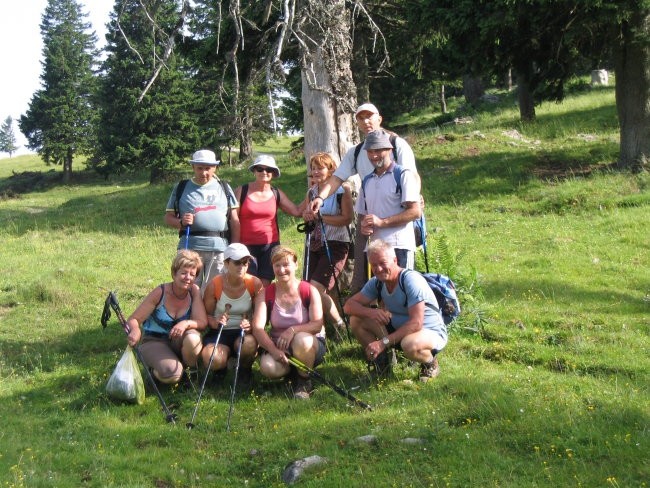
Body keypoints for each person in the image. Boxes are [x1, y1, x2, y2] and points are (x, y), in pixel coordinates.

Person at [306, 102, 420, 294]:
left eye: (370, 116)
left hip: (396, 219)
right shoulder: (357, 152)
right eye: (361, 118)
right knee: (364, 268)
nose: (366, 121)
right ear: (357, 123)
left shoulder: (397, 144)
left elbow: (413, 177)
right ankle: (366, 307)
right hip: (367, 217)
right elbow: (337, 178)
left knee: (398, 275)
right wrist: (321, 198)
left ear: (379, 119)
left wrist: (415, 200)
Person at [343, 240, 447, 382]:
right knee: (356, 320)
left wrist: (383, 342)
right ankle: (382, 366)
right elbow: (348, 306)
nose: (378, 269)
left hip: (428, 331)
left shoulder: (410, 280)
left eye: (382, 263)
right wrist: (371, 312)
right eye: (374, 265)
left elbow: (416, 323)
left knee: (409, 345)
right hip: (400, 328)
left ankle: (430, 363)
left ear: (395, 260)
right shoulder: (377, 282)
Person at [251, 246, 325, 399]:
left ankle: (304, 382)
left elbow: (317, 324)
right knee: (268, 368)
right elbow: (257, 328)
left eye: (286, 265)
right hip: (280, 347)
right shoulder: (266, 293)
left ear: (296, 265)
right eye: (277, 265)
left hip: (309, 343)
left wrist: (292, 330)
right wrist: (273, 350)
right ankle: (294, 374)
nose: (281, 270)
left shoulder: (309, 290)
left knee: (301, 340)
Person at [126, 250, 208, 386]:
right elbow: (133, 319)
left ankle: (191, 375)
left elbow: (202, 322)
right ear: (174, 273)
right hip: (154, 340)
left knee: (193, 338)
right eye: (183, 273)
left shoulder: (194, 291)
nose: (188, 277)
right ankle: (155, 373)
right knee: (172, 375)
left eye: (192, 274)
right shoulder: (160, 292)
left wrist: (185, 324)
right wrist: (135, 330)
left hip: (178, 341)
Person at [164, 149, 239, 290]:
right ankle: (189, 312)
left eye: (208, 168)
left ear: (215, 168)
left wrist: (234, 248)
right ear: (193, 167)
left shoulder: (224, 187)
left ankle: (208, 313)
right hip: (190, 247)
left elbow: (234, 220)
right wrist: (180, 222)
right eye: (200, 168)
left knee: (214, 289)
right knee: (188, 288)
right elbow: (168, 218)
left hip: (219, 248)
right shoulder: (182, 187)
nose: (204, 172)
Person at [299, 152, 353, 339]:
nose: (315, 171)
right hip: (314, 243)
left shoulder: (342, 190)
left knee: (316, 288)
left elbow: (347, 218)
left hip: (336, 243)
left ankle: (338, 325)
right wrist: (308, 216)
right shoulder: (311, 192)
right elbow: (308, 217)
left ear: (331, 170)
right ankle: (319, 328)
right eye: (313, 167)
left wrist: (322, 217)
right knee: (307, 288)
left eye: (320, 167)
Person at [355, 130, 421, 270]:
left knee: (401, 290)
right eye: (370, 151)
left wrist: (382, 222)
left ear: (390, 150)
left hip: (400, 247)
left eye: (378, 150)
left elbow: (415, 212)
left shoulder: (402, 175)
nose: (374, 155)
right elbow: (362, 215)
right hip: (374, 250)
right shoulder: (367, 180)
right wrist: (364, 226)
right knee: (377, 292)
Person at [235, 155, 302, 286]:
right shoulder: (241, 191)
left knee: (264, 286)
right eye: (260, 169)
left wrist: (312, 194)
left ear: (273, 173)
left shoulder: (276, 193)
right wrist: (235, 245)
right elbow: (233, 219)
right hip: (245, 246)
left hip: (270, 247)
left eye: (269, 169)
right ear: (254, 171)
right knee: (248, 283)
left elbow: (297, 211)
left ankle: (263, 306)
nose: (264, 172)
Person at [202, 243, 263, 386]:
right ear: (226, 263)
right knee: (212, 358)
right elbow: (206, 316)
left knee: (248, 344)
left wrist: (251, 324)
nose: (242, 266)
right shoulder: (215, 284)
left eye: (245, 262)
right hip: (219, 332)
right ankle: (220, 369)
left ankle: (244, 370)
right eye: (237, 262)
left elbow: (260, 315)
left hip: (243, 333)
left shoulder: (254, 283)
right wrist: (216, 321)